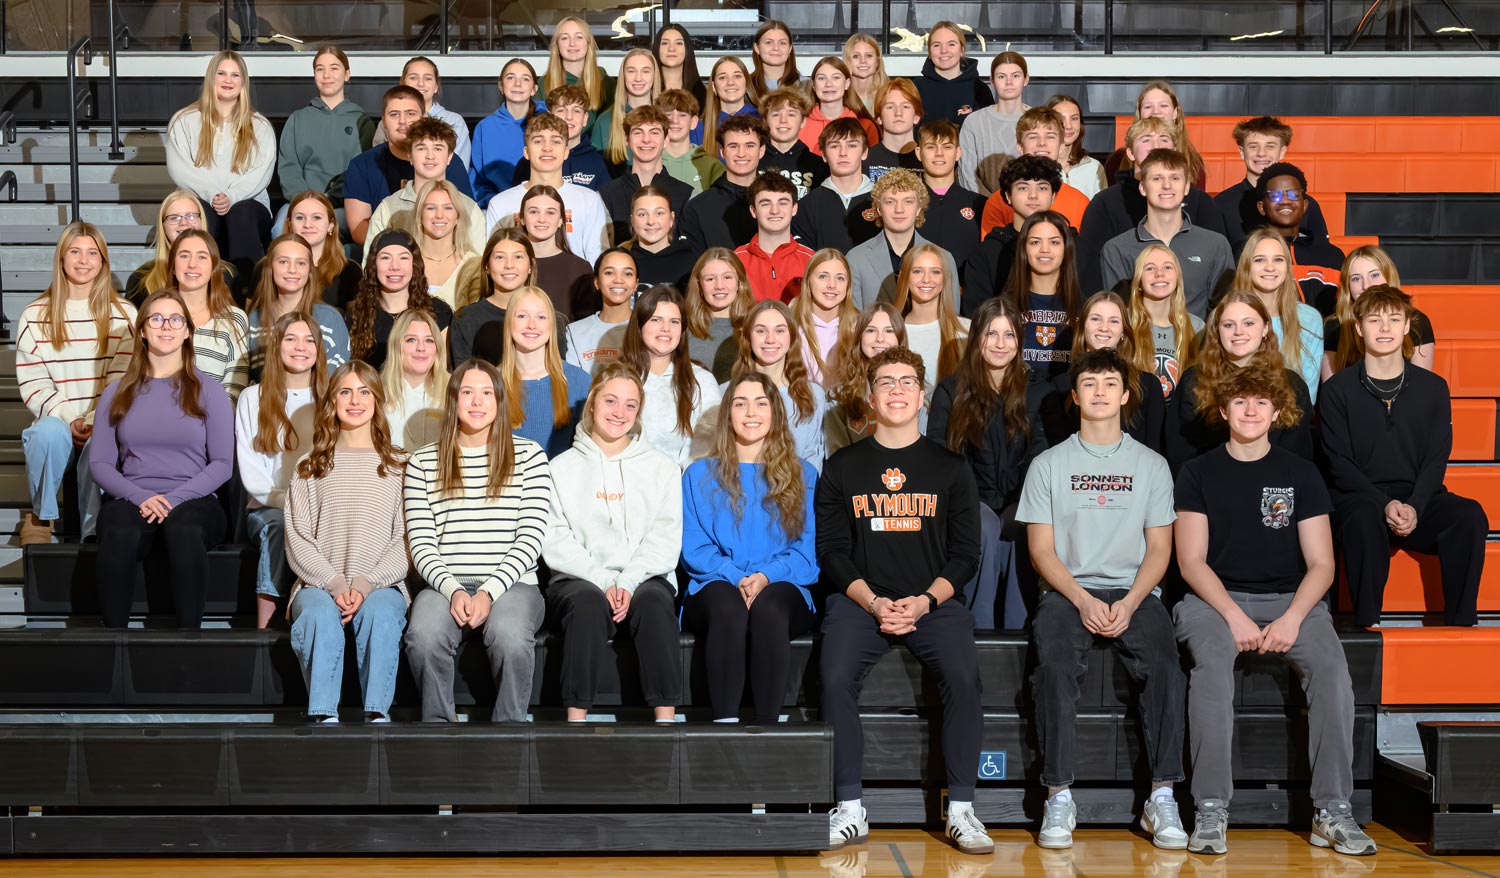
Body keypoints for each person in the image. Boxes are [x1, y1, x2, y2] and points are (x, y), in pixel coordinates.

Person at [1173, 363, 1376, 858]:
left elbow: (1323, 565)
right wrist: (1235, 616)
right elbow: (1191, 562)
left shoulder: (1300, 474)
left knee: (1332, 673)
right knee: (1212, 669)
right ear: (1223, 410)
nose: (1250, 410)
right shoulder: (1197, 472)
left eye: (1260, 402)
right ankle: (1211, 809)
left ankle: (1332, 811)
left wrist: (1291, 619)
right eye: (1239, 402)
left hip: (1293, 600)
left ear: (1277, 411)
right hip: (1213, 600)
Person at [818, 346, 991, 855]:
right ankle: (850, 808)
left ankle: (960, 808)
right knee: (832, 676)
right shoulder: (843, 466)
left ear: (921, 396)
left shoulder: (951, 468)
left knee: (964, 675)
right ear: (870, 398)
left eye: (906, 382)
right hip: (860, 602)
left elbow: (965, 555)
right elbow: (831, 552)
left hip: (932, 602)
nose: (896, 390)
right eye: (885, 382)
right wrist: (873, 603)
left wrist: (923, 602)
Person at [1019, 347, 1186, 851]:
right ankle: (1058, 795)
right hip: (1068, 592)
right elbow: (1041, 550)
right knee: (1052, 668)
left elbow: (1161, 549)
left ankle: (1162, 797)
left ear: (1125, 395)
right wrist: (1082, 599)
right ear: (1074, 396)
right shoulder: (1048, 464)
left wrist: (1133, 602)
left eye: (1109, 384)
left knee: (1164, 665)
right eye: (1089, 384)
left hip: (1134, 592)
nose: (1099, 392)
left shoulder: (1152, 464)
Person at [1320, 285, 1485, 628]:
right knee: (1363, 518)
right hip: (1361, 499)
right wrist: (1383, 503)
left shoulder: (1434, 387)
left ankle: (1461, 624)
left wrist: (1415, 505)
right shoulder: (1338, 390)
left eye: (1394, 319)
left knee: (1469, 515)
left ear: (1407, 327)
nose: (1384, 328)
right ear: (1358, 328)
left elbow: (1437, 457)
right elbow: (1339, 463)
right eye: (1375, 319)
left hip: (1417, 500)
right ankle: (1367, 623)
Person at [404, 359, 552, 722]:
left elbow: (531, 537)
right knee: (422, 636)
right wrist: (453, 589)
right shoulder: (423, 462)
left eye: (487, 393)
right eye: (467, 392)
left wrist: (488, 590)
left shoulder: (530, 456)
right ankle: (439, 727)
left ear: (500, 401)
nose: (476, 401)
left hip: (514, 584)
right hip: (444, 585)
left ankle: (509, 731)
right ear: (453, 400)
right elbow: (421, 544)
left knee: (511, 635)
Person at [544, 362, 683, 722]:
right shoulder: (560, 468)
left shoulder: (662, 468)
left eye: (630, 405)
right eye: (610, 401)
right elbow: (556, 539)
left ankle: (665, 723)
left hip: (644, 576)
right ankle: (575, 723)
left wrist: (627, 580)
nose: (619, 412)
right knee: (588, 607)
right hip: (579, 578)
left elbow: (664, 539)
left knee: (654, 605)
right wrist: (604, 580)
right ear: (592, 404)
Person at [682, 370, 818, 723]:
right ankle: (724, 726)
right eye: (740, 404)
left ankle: (766, 729)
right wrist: (736, 576)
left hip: (782, 587)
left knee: (769, 608)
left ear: (775, 413)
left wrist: (764, 577)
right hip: (713, 584)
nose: (751, 412)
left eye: (761, 403)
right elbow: (695, 548)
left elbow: (806, 552)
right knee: (729, 608)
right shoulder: (699, 475)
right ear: (728, 414)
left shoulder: (803, 475)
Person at [91, 290, 232, 629]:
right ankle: (114, 644)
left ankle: (188, 643)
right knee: (118, 529)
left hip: (194, 499)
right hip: (134, 497)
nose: (165, 326)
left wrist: (172, 499)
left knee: (184, 528)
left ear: (187, 331)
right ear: (141, 330)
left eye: (175, 319)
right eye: (156, 319)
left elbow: (223, 464)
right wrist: (141, 497)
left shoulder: (209, 391)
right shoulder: (117, 392)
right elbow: (100, 463)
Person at [285, 360, 410, 723]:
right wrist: (335, 583)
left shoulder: (399, 464)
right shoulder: (310, 466)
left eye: (364, 391)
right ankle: (324, 717)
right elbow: (298, 537)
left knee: (382, 614)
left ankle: (377, 716)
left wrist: (366, 583)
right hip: (318, 584)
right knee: (320, 618)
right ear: (332, 401)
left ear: (377, 400)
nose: (355, 400)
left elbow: (405, 538)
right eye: (345, 391)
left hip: (382, 583)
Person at [16, 223, 136, 545]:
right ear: (61, 258)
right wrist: (72, 420)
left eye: (92, 253)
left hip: (105, 421)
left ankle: (93, 530)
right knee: (45, 432)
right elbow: (35, 381)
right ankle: (42, 517)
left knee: (102, 442)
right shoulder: (35, 315)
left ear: (103, 261)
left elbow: (122, 376)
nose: (84, 261)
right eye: (75, 251)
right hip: (59, 424)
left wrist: (96, 419)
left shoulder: (124, 314)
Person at [927, 296, 1043, 629]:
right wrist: (972, 502)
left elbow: (1041, 457)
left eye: (1009, 335)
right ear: (977, 337)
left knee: (1022, 525)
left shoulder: (1037, 390)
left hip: (1020, 498)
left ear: (1019, 342)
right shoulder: (952, 390)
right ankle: (979, 631)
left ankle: (1017, 636)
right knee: (986, 526)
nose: (1000, 344)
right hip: (967, 500)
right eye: (992, 334)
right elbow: (942, 455)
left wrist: (1020, 503)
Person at [237, 313, 328, 628]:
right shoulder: (253, 398)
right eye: (291, 339)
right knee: (279, 525)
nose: (300, 347)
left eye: (309, 340)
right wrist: (287, 502)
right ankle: (265, 625)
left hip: (319, 505)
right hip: (268, 507)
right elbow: (252, 472)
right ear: (277, 346)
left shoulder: (330, 400)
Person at [1077, 116, 1230, 295]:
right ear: (1130, 153)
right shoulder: (1106, 209)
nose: (1155, 145)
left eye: (1163, 139)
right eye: (1146, 139)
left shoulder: (1203, 209)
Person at [1168, 292, 1314, 473]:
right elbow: (1179, 453)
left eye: (1249, 323)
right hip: (1210, 485)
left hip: (1275, 490)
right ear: (1217, 330)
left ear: (1265, 328)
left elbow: (1300, 456)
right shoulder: (1194, 380)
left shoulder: (1292, 384)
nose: (1238, 332)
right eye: (1229, 325)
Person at [164, 50, 274, 282]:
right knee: (200, 213)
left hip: (249, 205)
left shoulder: (260, 125)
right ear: (210, 78)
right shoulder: (184, 120)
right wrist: (213, 194)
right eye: (221, 73)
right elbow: (180, 170)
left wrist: (231, 196)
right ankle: (202, 287)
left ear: (243, 82)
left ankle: (250, 295)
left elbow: (261, 175)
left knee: (240, 213)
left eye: (235, 75)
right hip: (200, 199)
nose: (228, 80)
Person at [1100, 149, 1233, 319]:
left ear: (1186, 187)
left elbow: (1223, 311)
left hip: (1198, 344)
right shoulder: (1117, 249)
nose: (1167, 185)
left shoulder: (1215, 245)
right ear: (1142, 187)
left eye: (1175, 178)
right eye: (1157, 178)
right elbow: (1119, 314)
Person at [344, 85, 474, 247]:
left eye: (411, 114)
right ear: (383, 120)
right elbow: (358, 229)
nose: (403, 121)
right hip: (386, 249)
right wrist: (403, 248)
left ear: (424, 117)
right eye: (394, 114)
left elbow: (465, 218)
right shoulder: (362, 165)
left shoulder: (448, 161)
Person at [1041, 290, 1166, 453]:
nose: (1104, 328)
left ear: (1123, 332)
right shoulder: (1060, 386)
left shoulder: (1148, 386)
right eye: (1095, 319)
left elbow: (1154, 452)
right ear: (1083, 327)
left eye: (1113, 321)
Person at [483, 113, 610, 266]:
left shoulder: (589, 200)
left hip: (577, 286)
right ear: (526, 152)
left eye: (556, 142)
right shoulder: (501, 204)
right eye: (538, 141)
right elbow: (493, 260)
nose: (547, 148)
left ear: (566, 152)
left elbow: (597, 258)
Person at [274, 47, 376, 236]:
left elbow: (359, 172)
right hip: (300, 203)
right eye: (320, 69)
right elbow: (289, 168)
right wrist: (305, 202)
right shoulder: (297, 119)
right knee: (280, 228)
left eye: (334, 68)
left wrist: (327, 201)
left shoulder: (362, 122)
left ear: (347, 75)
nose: (326, 75)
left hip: (343, 206)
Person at [622, 286, 722, 468]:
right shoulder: (616, 379)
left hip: (681, 488)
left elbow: (707, 448)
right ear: (639, 325)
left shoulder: (702, 381)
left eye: (674, 322)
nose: (666, 328)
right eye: (656, 320)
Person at [364, 119, 486, 266]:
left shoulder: (468, 207)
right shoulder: (388, 208)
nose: (430, 156)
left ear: (449, 157)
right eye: (421, 148)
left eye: (438, 148)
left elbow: (479, 265)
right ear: (410, 156)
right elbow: (370, 265)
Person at [728, 301, 828, 470]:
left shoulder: (813, 394)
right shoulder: (726, 393)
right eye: (761, 331)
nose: (770, 339)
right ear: (748, 337)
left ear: (792, 338)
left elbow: (813, 459)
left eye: (780, 330)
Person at [961, 155, 1063, 315]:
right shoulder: (987, 253)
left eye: (1042, 188)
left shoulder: (1073, 247)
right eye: (1023, 188)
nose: (1033, 195)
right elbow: (975, 316)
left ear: (1053, 195)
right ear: (1008, 195)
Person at [1212, 116, 1330, 251]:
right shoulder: (1221, 204)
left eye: (1270, 146)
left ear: (1282, 152)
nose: (1261, 153)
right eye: (1253, 146)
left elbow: (1322, 254)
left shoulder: (1303, 204)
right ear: (1241, 152)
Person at [499, 287, 591, 458]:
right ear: (509, 322)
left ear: (551, 324)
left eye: (541, 317)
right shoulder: (491, 383)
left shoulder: (579, 382)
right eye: (522, 316)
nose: (531, 325)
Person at [847, 168, 957, 310]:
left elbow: (951, 319)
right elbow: (852, 323)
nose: (899, 209)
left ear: (919, 208)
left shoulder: (944, 258)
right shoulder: (856, 259)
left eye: (908, 201)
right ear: (879, 209)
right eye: (890, 202)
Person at [1235, 228, 1324, 399]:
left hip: (1291, 417)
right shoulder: (1227, 316)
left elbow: (1307, 394)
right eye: (1260, 260)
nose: (1270, 267)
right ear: (1247, 265)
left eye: (1278, 259)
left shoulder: (1309, 319)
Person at [1322, 245, 1435, 380]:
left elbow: (1422, 385)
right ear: (1348, 287)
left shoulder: (1417, 322)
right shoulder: (1334, 326)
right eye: (1356, 279)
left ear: (1389, 276)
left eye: (1374, 275)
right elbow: (1332, 391)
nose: (1366, 285)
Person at [245, 234, 350, 379]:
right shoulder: (253, 320)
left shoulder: (330, 319)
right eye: (283, 262)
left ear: (309, 270)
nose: (292, 270)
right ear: (270, 267)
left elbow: (337, 380)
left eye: (301, 263)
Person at [346, 229, 452, 371]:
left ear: (414, 265)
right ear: (373, 265)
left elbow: (443, 373)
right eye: (385, 258)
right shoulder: (356, 315)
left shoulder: (439, 312)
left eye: (403, 258)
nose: (394, 266)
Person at [978, 107, 1090, 237]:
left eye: (1050, 136)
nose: (1042, 143)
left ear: (1060, 146)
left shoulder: (1080, 202)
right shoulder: (997, 202)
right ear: (1020, 146)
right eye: (1033, 136)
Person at [1253, 162, 1346, 317]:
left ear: (1304, 205)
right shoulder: (1247, 251)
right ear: (1262, 207)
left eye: (1293, 194)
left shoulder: (1332, 256)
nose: (1285, 201)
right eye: (1275, 195)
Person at [167, 230, 250, 402]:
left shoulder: (234, 319)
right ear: (173, 267)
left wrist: (212, 422)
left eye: (202, 257)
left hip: (213, 420)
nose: (192, 264)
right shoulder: (157, 316)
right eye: (184, 256)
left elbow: (236, 385)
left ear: (213, 267)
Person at [1004, 211, 1081, 383]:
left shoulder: (1084, 307)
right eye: (1035, 242)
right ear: (1024, 248)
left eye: (1054, 242)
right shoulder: (1004, 307)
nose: (1044, 249)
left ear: (1066, 248)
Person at [599, 106, 693, 246]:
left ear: (666, 140)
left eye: (654, 132)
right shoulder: (606, 195)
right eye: (638, 132)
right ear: (627, 140)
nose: (646, 140)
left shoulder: (687, 195)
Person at [788, 119, 878, 254]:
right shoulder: (807, 207)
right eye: (834, 146)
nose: (843, 153)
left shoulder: (883, 201)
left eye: (852, 145)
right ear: (823, 154)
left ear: (864, 152)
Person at [889, 244, 969, 393]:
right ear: (904, 277)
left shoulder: (967, 331)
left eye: (935, 272)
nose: (926, 279)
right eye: (918, 271)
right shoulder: (889, 333)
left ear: (945, 278)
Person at [681, 114, 767, 253]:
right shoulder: (698, 208)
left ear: (761, 151)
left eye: (749, 146)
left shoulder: (776, 204)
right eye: (733, 146)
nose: (741, 153)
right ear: (722, 152)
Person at [1125, 244, 1201, 401]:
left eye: (1167, 267)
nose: (1159, 274)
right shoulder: (1123, 323)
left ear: (1178, 277)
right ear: (1138, 280)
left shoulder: (1198, 327)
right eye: (1149, 268)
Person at [825, 304, 904, 453]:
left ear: (900, 337)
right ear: (859, 336)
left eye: (889, 331)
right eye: (871, 330)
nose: (880, 339)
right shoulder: (837, 395)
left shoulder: (917, 390)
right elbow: (836, 455)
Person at [372, 56, 473, 168]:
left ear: (436, 87)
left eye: (428, 78)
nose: (420, 84)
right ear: (402, 83)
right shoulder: (389, 121)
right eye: (413, 78)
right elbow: (378, 160)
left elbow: (457, 167)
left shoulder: (454, 121)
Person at [451, 228, 532, 365]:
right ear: (487, 266)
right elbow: (461, 378)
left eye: (518, 257)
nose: (509, 265)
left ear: (531, 266)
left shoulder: (549, 318)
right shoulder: (466, 319)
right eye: (500, 257)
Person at [914, 119, 987, 273]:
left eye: (947, 147)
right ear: (919, 153)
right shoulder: (907, 203)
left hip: (966, 293)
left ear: (958, 153)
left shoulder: (978, 204)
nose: (939, 153)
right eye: (931, 147)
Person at [470, 58, 542, 209]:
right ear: (501, 86)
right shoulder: (485, 127)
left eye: (525, 79)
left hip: (542, 206)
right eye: (510, 78)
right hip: (499, 209)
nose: (517, 84)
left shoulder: (547, 123)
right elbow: (477, 180)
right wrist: (497, 204)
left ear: (534, 89)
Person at [1103, 81, 1206, 188]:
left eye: (1163, 105)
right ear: (1140, 114)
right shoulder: (1117, 160)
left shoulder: (1194, 162)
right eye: (1148, 107)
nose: (1156, 112)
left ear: (1175, 112)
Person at [957, 51, 1030, 196]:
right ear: (992, 81)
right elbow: (968, 174)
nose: (1009, 82)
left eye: (1015, 76)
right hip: (984, 208)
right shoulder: (974, 122)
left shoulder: (1037, 120)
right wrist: (992, 206)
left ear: (1026, 79)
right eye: (1001, 76)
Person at [518, 185, 595, 321]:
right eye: (534, 212)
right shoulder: (510, 266)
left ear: (561, 221)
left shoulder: (580, 268)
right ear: (523, 219)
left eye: (550, 212)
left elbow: (585, 326)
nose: (542, 219)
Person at [735, 173, 815, 303]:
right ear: (753, 211)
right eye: (765, 204)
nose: (774, 211)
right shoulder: (736, 261)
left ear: (794, 209)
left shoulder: (811, 261)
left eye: (783, 203)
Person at [381, 309, 448, 451]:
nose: (421, 348)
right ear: (396, 346)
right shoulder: (376, 392)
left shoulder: (455, 391)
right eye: (411, 340)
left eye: (429, 340)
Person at [284, 191, 363, 311]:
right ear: (289, 224)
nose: (307, 224)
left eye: (316, 217)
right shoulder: (269, 267)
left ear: (331, 225)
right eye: (300, 217)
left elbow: (355, 324)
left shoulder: (349, 271)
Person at [793, 249, 860, 388]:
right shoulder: (789, 323)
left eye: (840, 278)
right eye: (823, 276)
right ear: (808, 281)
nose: (832, 285)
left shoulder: (860, 326)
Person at [412, 180, 484, 310]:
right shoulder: (405, 261)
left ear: (457, 216)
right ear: (420, 216)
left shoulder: (474, 265)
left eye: (448, 208)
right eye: (431, 208)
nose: (439, 215)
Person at [683, 249, 753, 380]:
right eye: (710, 279)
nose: (719, 286)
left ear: (739, 282)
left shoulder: (756, 326)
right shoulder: (682, 328)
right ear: (699, 285)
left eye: (727, 277)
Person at [125, 191, 206, 304]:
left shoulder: (225, 274)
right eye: (174, 218)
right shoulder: (141, 279)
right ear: (163, 226)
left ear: (202, 221)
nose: (183, 222)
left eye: (191, 216)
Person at [566, 249, 637, 374]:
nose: (618, 280)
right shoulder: (576, 332)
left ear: (636, 284)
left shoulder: (648, 327)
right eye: (609, 273)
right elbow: (575, 384)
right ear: (596, 282)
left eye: (628, 273)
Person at [542, 15, 612, 141]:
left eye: (579, 37)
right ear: (557, 45)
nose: (572, 43)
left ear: (588, 43)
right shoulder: (542, 85)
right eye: (565, 38)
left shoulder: (605, 83)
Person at [593, 48, 663, 170]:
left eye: (645, 71)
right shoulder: (604, 122)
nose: (638, 78)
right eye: (631, 71)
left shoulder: (667, 119)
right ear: (623, 76)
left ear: (654, 76)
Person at [912, 20, 992, 127]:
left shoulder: (979, 89)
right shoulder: (915, 89)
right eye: (936, 45)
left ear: (961, 50)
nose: (944, 50)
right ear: (929, 53)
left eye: (951, 44)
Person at [534, 84, 609, 192]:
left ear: (585, 118)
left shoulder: (596, 162)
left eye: (576, 110)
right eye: (561, 110)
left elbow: (604, 205)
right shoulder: (536, 158)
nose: (569, 117)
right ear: (549, 116)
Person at [624, 185, 698, 293]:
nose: (651, 221)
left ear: (671, 218)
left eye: (659, 213)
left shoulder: (692, 260)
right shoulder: (622, 260)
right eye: (642, 214)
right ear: (632, 220)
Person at [801, 57, 878, 158]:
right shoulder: (799, 124)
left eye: (836, 77)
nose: (828, 84)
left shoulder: (864, 125)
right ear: (814, 85)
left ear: (847, 84)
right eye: (821, 78)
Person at [760, 88, 828, 199]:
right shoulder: (753, 162)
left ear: (803, 121)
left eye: (791, 114)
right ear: (765, 121)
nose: (783, 120)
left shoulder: (819, 165)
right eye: (776, 114)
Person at [658, 89, 726, 196]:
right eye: (668, 115)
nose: (675, 120)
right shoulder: (650, 163)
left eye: (682, 115)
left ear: (693, 122)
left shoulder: (712, 166)